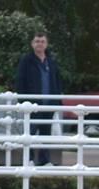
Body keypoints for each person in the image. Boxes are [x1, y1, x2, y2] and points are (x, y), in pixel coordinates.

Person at [12, 29, 63, 167]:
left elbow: (57, 82)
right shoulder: (26, 61)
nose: (40, 44)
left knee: (46, 134)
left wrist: (58, 102)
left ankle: (44, 160)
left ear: (46, 44)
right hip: (32, 105)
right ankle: (27, 160)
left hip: (48, 104)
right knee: (30, 133)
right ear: (32, 43)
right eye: (37, 41)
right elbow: (20, 81)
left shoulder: (51, 62)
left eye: (42, 41)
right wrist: (22, 102)